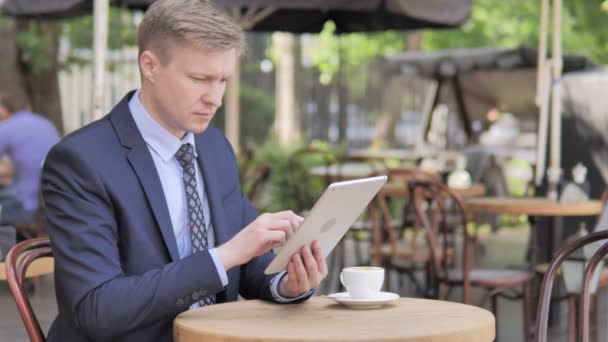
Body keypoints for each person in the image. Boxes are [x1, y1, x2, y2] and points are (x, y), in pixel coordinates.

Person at [41, 1, 328, 341]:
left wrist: (287, 283)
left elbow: (248, 267)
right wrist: (223, 255)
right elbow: (98, 310)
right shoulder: (81, 161)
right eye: (200, 79)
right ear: (150, 65)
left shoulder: (215, 147)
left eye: (223, 80)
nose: (215, 98)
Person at [0, 92, 60, 225]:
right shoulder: (46, 123)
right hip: (52, 201)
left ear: (4, 109)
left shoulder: (6, 128)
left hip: (27, 205)